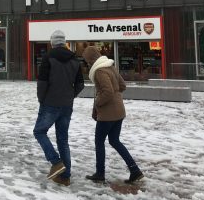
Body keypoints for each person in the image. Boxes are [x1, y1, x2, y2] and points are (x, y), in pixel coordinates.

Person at [82, 46, 144, 184]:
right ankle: (135, 170)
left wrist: (98, 103)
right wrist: (115, 97)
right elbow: (122, 86)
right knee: (114, 141)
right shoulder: (110, 66)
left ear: (91, 59)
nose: (86, 63)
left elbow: (107, 92)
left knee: (99, 142)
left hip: (107, 114)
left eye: (86, 60)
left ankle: (100, 173)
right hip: (119, 111)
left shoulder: (99, 71)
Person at [33, 30, 85, 187]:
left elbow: (42, 82)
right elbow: (80, 85)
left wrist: (42, 99)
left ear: (52, 42)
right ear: (64, 42)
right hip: (67, 105)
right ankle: (65, 176)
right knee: (63, 139)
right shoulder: (75, 58)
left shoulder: (48, 58)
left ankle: (56, 162)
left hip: (50, 103)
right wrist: (70, 96)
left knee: (39, 131)